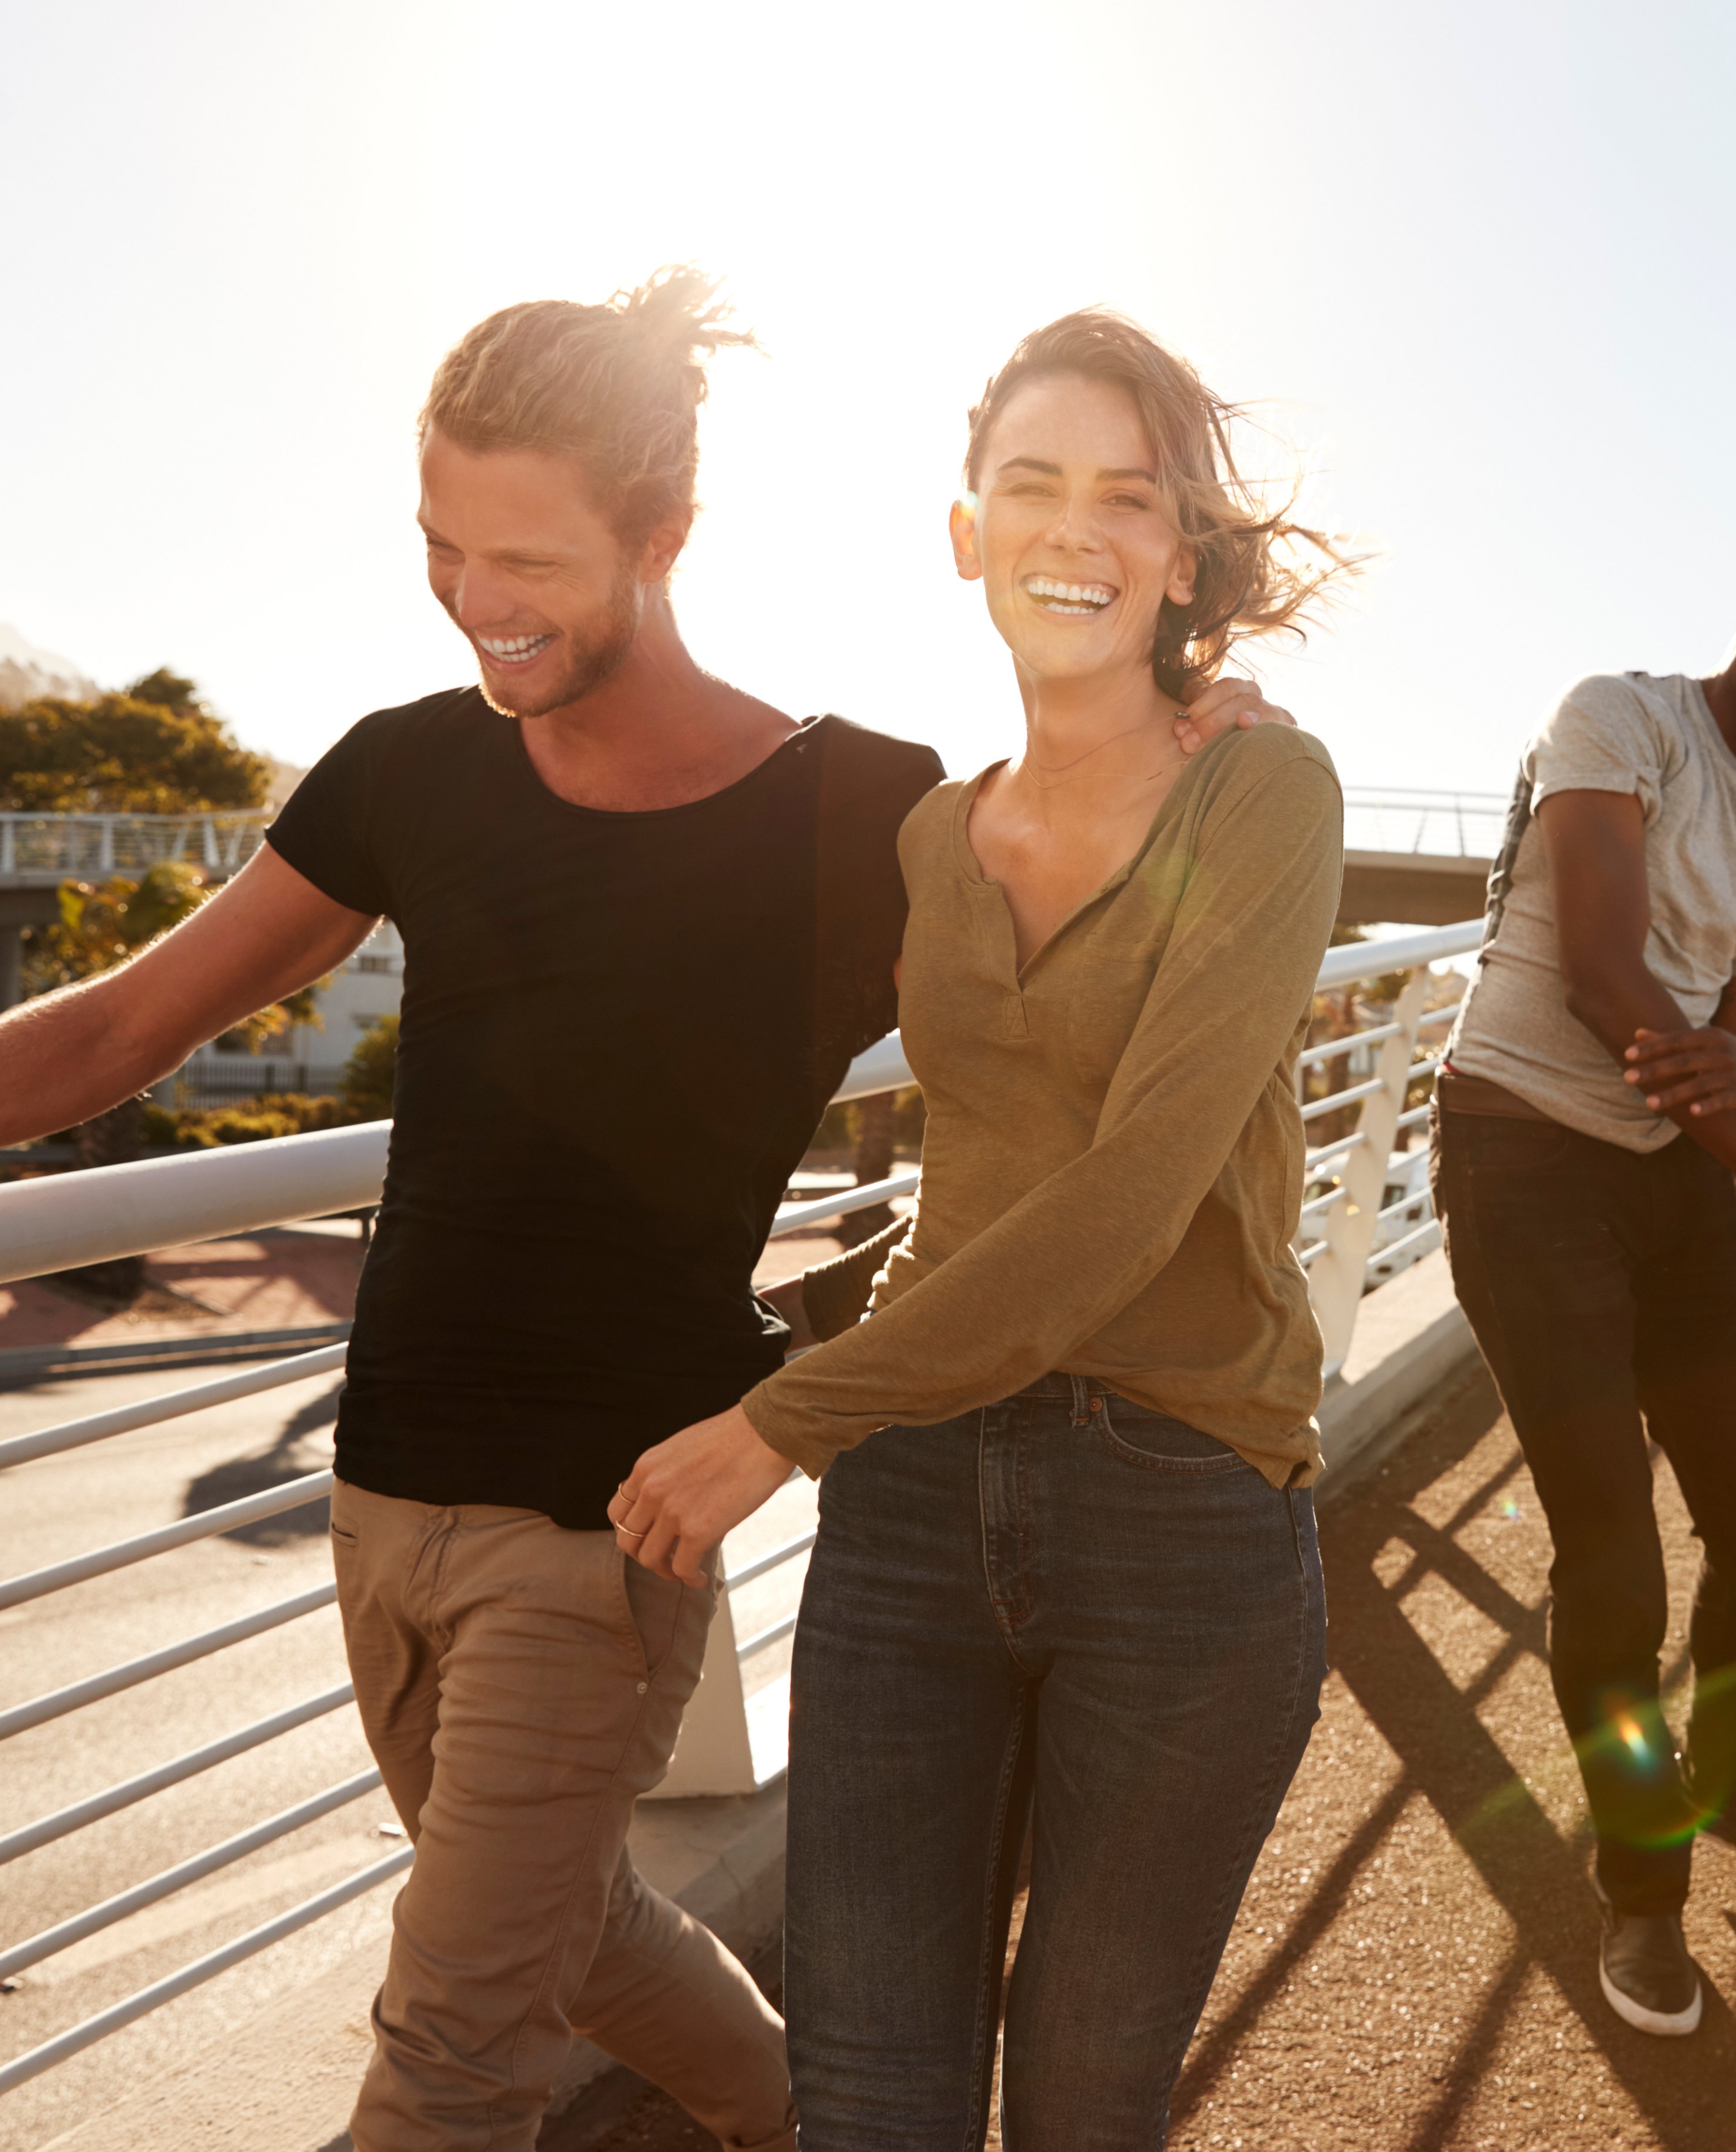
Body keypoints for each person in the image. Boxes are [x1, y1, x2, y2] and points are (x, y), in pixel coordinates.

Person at [0, 273, 1285, 2152]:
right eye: (442, 546)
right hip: (384, 1496)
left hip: (602, 1528)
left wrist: (1182, 738)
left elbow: (1073, 1033)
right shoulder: (412, 767)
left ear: (666, 538)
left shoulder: (861, 811)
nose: (476, 600)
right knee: (571, 1928)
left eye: (525, 557)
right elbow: (120, 1029)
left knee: (446, 2056)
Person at [604, 309, 1351, 2150]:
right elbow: (752, 1048)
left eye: (1128, 496)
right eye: (1033, 485)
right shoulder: (933, 835)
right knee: (868, 2092)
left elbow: (1129, 1196)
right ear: (967, 530)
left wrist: (783, 1416)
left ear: (1184, 556)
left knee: (1086, 2100)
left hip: (1184, 1503)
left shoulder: (1265, 788)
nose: (1074, 532)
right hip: (919, 1501)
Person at [1425, 507, 1736, 2039]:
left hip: (1673, 1182)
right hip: (1528, 1166)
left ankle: (1735, 1792)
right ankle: (1645, 1896)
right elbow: (1602, 974)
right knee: (1614, 1558)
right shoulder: (1620, 719)